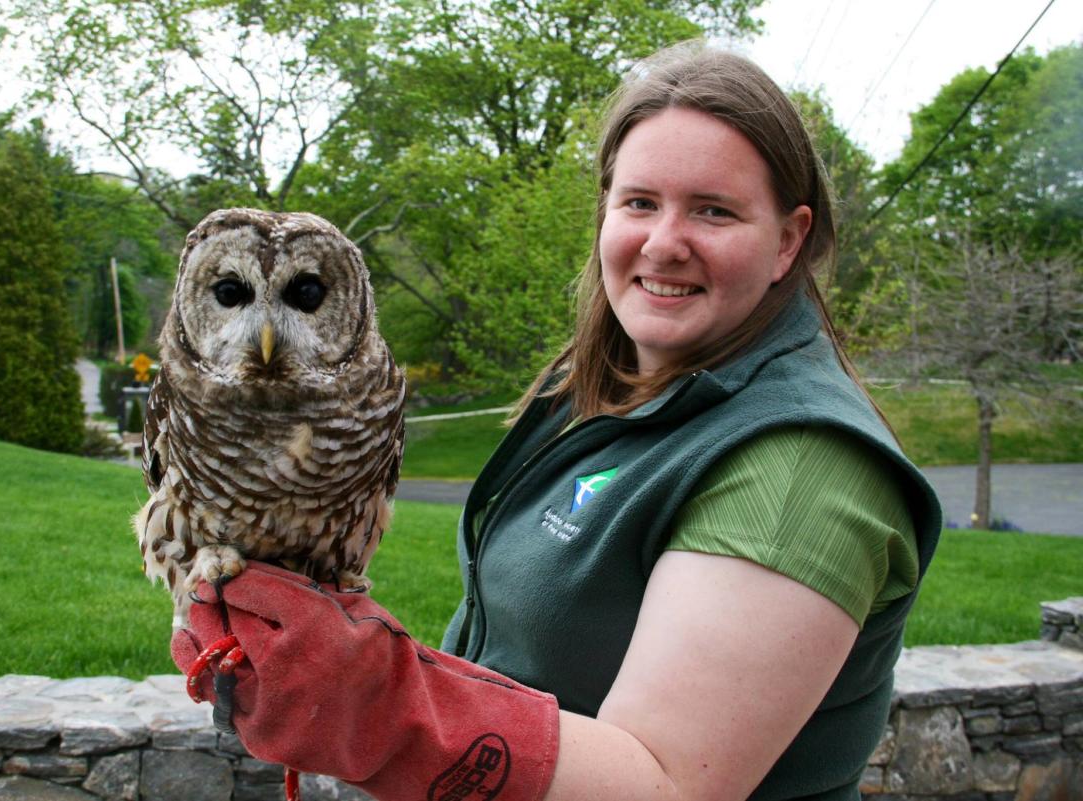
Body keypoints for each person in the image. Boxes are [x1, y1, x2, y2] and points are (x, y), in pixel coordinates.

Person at [174, 42, 942, 801]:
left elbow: (666, 789)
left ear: (788, 240)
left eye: (713, 210)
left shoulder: (799, 468)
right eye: (640, 202)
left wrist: (377, 700)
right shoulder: (612, 388)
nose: (664, 242)